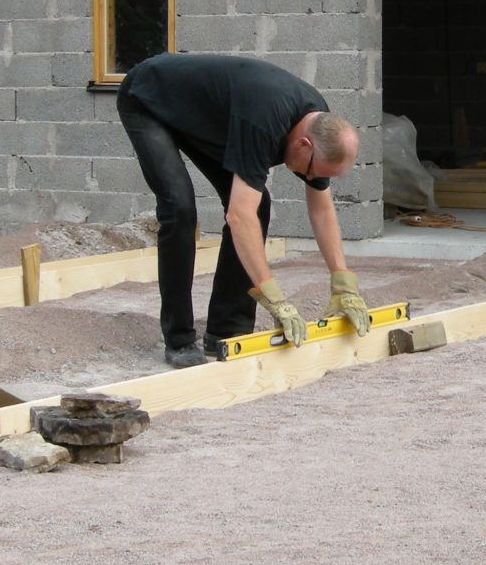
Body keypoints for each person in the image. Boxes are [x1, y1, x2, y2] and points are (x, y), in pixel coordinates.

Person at [116, 52, 372, 368]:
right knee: (179, 208)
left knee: (258, 204)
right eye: (311, 171)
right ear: (304, 145)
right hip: (148, 98)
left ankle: (227, 331)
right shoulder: (264, 122)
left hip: (202, 116)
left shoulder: (319, 124)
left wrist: (342, 279)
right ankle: (179, 339)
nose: (310, 178)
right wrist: (272, 295)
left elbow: (321, 208)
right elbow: (239, 216)